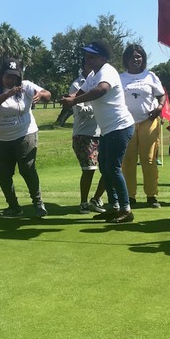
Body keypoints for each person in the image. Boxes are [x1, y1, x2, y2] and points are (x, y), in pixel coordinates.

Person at [61, 40, 135, 223]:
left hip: (120, 126)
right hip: (108, 129)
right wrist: (68, 98)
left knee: (113, 168)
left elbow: (101, 90)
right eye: (86, 56)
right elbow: (78, 94)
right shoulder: (93, 74)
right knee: (105, 168)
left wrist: (74, 102)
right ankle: (114, 206)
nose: (87, 59)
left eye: (91, 56)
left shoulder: (107, 71)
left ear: (102, 58)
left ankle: (126, 209)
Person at [0, 58, 52, 217]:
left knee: (27, 169)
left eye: (14, 76)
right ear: (1, 75)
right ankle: (14, 206)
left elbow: (48, 94)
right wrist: (8, 94)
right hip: (3, 138)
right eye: (8, 76)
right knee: (3, 173)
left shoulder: (26, 85)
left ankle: (38, 203)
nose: (11, 80)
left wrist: (41, 94)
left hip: (25, 133)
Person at [119, 44, 165, 208]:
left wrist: (159, 108)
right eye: (132, 57)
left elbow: (161, 96)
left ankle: (151, 195)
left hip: (149, 122)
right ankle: (130, 196)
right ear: (126, 59)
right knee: (128, 161)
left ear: (143, 59)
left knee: (149, 159)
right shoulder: (120, 77)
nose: (135, 60)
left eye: (138, 57)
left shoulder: (150, 76)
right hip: (127, 124)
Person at [69, 60, 106, 214]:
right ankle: (83, 202)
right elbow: (80, 109)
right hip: (84, 133)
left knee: (110, 168)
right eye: (90, 64)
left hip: (103, 131)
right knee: (89, 169)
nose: (94, 67)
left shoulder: (103, 80)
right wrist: (98, 103)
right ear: (84, 66)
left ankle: (96, 198)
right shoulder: (77, 85)